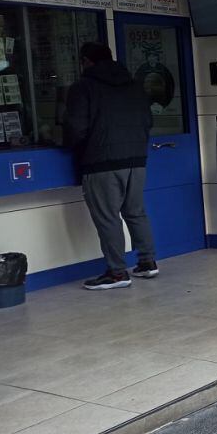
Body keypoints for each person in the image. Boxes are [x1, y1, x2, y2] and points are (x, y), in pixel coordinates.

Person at [64, 42, 157, 290]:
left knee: (108, 218)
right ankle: (147, 262)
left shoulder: (83, 87)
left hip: (101, 162)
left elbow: (75, 128)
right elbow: (148, 120)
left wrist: (64, 141)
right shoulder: (134, 85)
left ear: (85, 61)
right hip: (137, 161)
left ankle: (117, 273)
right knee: (136, 211)